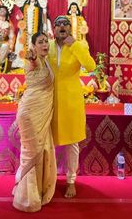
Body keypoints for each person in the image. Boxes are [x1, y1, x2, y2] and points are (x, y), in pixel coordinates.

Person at [47, 15, 96, 198]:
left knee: (72, 143)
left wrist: (74, 44)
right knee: (48, 141)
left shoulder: (78, 46)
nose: (61, 26)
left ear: (70, 28)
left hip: (71, 101)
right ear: (54, 28)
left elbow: (90, 66)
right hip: (49, 99)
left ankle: (71, 181)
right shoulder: (48, 46)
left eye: (65, 24)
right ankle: (48, 179)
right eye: (58, 24)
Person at [13, 32, 57, 212]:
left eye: (46, 41)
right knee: (31, 153)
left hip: (42, 113)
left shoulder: (46, 61)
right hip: (30, 114)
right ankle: (27, 198)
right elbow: (32, 60)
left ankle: (37, 190)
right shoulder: (35, 60)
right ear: (33, 46)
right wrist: (31, 56)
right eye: (40, 42)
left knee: (42, 149)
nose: (45, 44)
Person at [12, 0, 44, 68]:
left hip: (34, 29)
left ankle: (32, 63)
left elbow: (40, 21)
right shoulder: (24, 7)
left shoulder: (38, 8)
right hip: (25, 29)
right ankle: (22, 63)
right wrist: (18, 17)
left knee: (32, 45)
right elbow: (19, 15)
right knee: (22, 45)